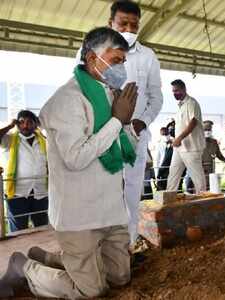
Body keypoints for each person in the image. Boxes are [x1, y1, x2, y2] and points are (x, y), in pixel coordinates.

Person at [0, 27, 137, 299]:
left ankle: (47, 257)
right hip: (79, 215)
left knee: (120, 278)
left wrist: (130, 127)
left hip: (111, 210)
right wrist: (117, 121)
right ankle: (24, 266)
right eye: (115, 60)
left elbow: (122, 147)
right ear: (91, 58)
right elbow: (76, 158)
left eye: (123, 61)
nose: (121, 68)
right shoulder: (66, 99)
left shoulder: (111, 95)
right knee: (91, 291)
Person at [76, 1, 163, 245]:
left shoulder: (148, 56)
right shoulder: (90, 51)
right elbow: (81, 90)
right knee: (100, 190)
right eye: (123, 23)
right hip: (101, 133)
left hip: (134, 133)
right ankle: (99, 246)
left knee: (131, 191)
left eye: (134, 25)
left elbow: (156, 97)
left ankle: (128, 246)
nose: (129, 29)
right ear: (110, 24)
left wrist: (141, 123)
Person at [0, 110, 48, 232]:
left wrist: (42, 127)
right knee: (19, 230)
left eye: (30, 122)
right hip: (17, 193)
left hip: (40, 192)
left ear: (35, 124)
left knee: (42, 228)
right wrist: (10, 126)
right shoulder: (9, 139)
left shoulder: (43, 140)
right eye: (21, 122)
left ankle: (39, 250)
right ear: (17, 124)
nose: (25, 125)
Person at [166, 79, 206, 193]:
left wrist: (179, 138)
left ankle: (203, 201)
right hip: (179, 148)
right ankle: (169, 199)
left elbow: (193, 122)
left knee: (197, 178)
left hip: (191, 148)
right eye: (173, 91)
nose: (175, 93)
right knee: (173, 175)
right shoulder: (180, 106)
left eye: (177, 90)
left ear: (184, 89)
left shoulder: (192, 103)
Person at [186, 120, 225, 191]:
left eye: (209, 129)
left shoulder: (214, 142)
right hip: (198, 170)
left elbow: (219, 155)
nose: (208, 131)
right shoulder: (197, 141)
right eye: (206, 129)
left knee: (208, 190)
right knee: (197, 189)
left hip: (210, 170)